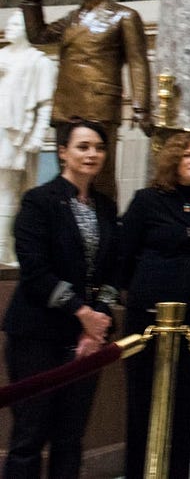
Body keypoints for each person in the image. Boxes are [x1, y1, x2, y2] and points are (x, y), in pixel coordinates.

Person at [2, 118, 118, 478]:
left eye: (98, 147)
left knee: (71, 436)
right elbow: (35, 271)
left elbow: (111, 270)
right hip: (37, 333)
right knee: (30, 435)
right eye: (83, 147)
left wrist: (97, 323)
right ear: (64, 152)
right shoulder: (39, 201)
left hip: (86, 338)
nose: (92, 154)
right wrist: (82, 313)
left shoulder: (106, 207)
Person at [120, 131, 190, 479]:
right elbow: (124, 255)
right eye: (187, 155)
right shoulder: (147, 201)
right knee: (143, 406)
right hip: (147, 319)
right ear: (172, 161)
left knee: (184, 407)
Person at [21, 0, 154, 201]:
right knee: (67, 175)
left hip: (99, 106)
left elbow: (138, 62)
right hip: (66, 106)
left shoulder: (123, 16)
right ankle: (68, 226)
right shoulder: (73, 18)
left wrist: (141, 107)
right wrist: (34, 1)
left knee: (100, 178)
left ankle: (105, 230)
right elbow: (38, 36)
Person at [0, 11, 56, 265]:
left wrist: (38, 135)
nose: (8, 27)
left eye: (15, 24)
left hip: (14, 134)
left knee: (9, 191)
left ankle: (3, 250)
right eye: (8, 23)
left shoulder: (39, 61)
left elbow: (45, 104)